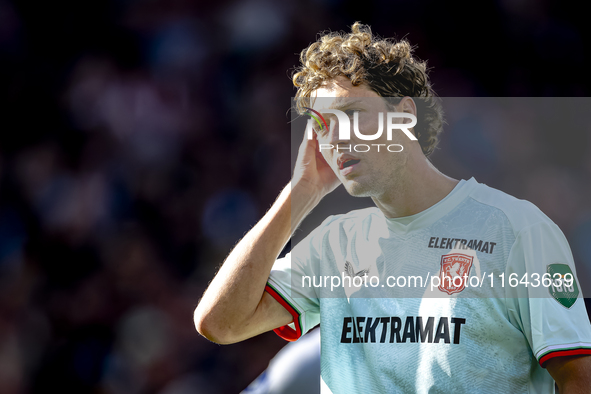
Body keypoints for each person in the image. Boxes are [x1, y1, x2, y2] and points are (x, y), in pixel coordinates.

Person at [194, 23, 591, 393]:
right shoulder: (333, 244)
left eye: (350, 114)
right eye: (321, 126)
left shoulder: (517, 229)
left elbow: (578, 377)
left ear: (403, 114)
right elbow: (218, 324)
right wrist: (300, 193)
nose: (336, 139)